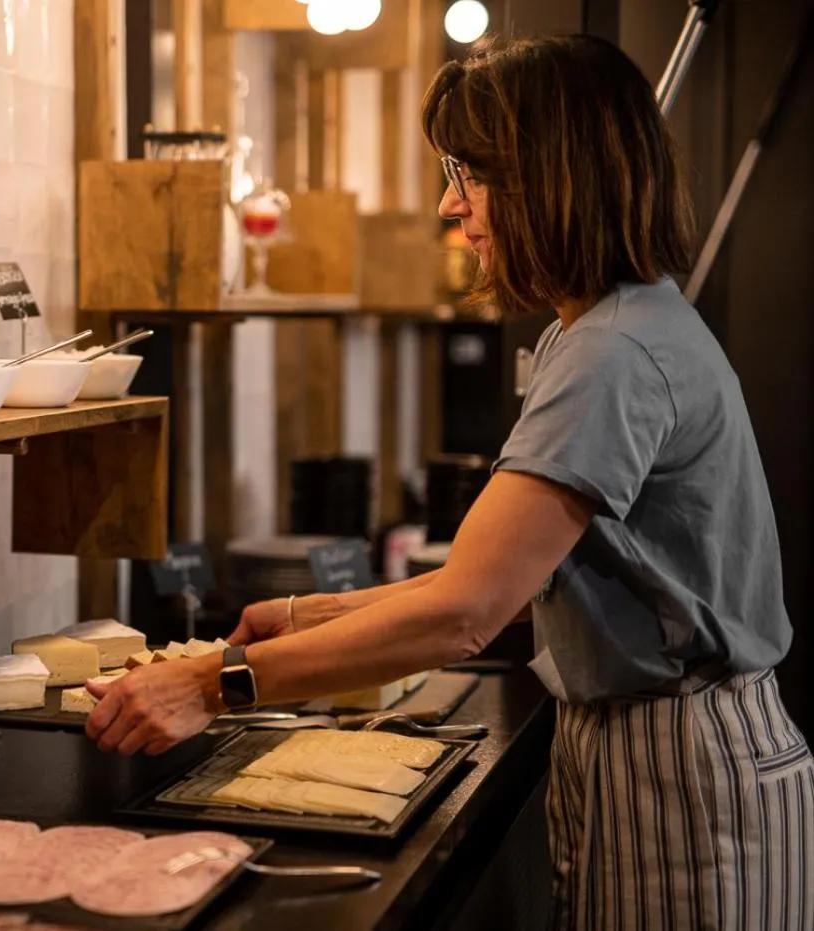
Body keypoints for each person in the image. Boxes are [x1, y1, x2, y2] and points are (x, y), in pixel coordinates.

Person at [84, 34, 811, 929]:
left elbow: (463, 614)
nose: (447, 204)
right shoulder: (596, 330)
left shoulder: (611, 353)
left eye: (468, 174)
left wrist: (209, 686)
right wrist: (310, 615)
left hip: (677, 759)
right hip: (643, 742)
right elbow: (501, 584)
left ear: (552, 176)